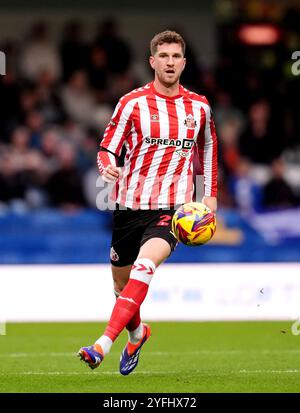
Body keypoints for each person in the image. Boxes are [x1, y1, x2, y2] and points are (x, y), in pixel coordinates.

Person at [78, 30, 218, 375]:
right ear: (152, 61)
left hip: (172, 209)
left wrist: (210, 195)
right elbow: (107, 146)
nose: (170, 62)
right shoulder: (131, 103)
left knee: (145, 267)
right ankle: (138, 333)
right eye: (164, 56)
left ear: (184, 63)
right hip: (128, 206)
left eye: (176, 56)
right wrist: (107, 166)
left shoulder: (198, 106)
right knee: (120, 285)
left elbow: (210, 148)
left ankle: (102, 344)